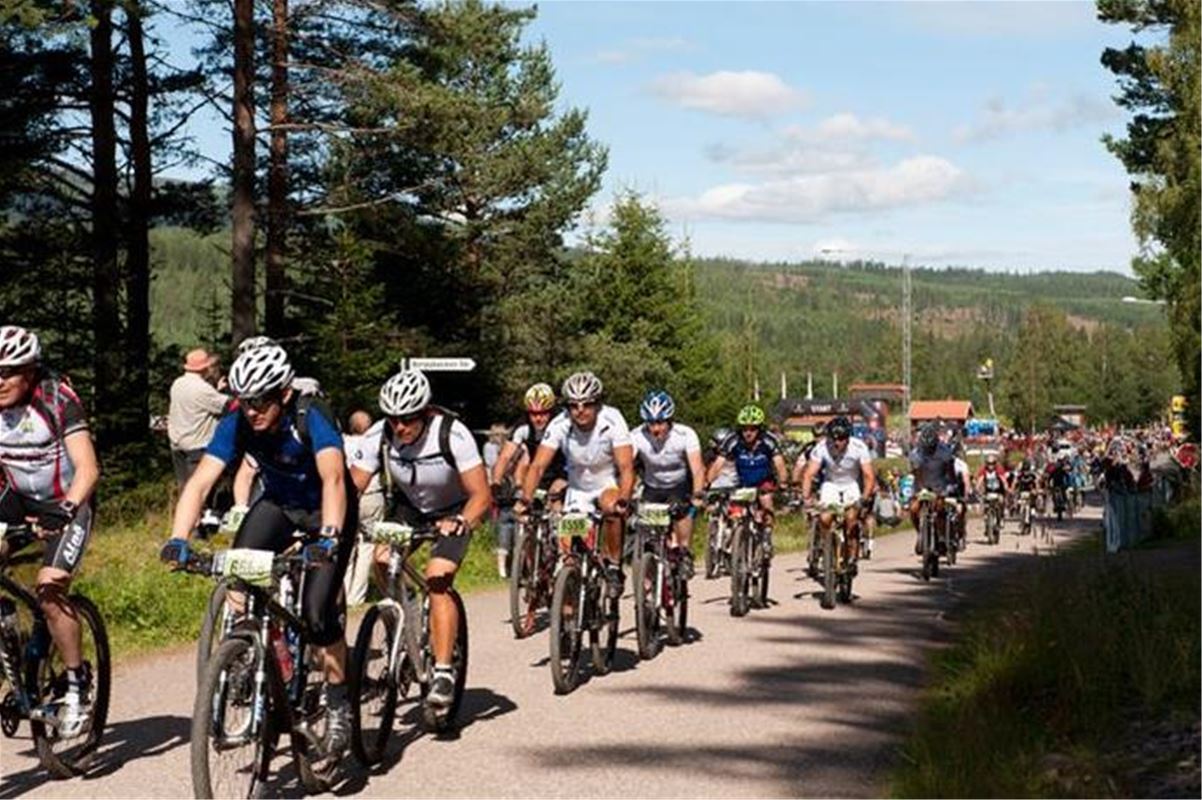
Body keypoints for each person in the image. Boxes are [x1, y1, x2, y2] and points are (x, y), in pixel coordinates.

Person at [160, 343, 357, 753]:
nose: (253, 411)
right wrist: (178, 539)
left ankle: (339, 703)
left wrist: (330, 538)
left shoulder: (310, 413)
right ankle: (261, 652)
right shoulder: (239, 421)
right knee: (238, 570)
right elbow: (200, 482)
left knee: (318, 613)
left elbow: (335, 479)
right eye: (246, 402)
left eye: (262, 401)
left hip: (327, 508)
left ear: (283, 394)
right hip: (281, 505)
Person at [349, 369, 491, 712]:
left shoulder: (453, 434)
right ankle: (408, 615)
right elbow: (353, 485)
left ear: (426, 412)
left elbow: (481, 496)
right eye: (394, 419)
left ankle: (442, 671)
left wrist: (461, 521)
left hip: (454, 509)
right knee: (382, 560)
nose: (400, 427)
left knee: (437, 578)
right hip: (410, 507)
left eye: (408, 419)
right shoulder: (379, 434)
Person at [0, 326, 100, 737]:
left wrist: (65, 511)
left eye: (8, 372)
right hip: (16, 499)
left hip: (68, 500)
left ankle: (77, 683)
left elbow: (89, 468)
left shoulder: (57, 398)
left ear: (31, 371)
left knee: (50, 589)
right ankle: (14, 639)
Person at [516, 371, 635, 600]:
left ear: (597, 404)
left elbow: (626, 467)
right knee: (568, 557)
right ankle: (568, 620)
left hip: (606, 482)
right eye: (574, 405)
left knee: (612, 508)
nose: (580, 411)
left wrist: (625, 498)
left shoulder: (613, 419)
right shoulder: (560, 424)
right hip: (577, 488)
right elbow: (538, 465)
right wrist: (525, 499)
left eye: (587, 404)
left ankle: (613, 565)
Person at [490, 383, 567, 578]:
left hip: (563, 472)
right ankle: (533, 569)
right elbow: (505, 457)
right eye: (533, 413)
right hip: (538, 474)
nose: (538, 418)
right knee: (525, 516)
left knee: (557, 505)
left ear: (552, 411)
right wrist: (496, 484)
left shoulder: (562, 423)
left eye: (543, 413)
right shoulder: (522, 426)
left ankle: (562, 556)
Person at [630, 390, 705, 578]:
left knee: (682, 512)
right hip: (652, 486)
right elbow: (625, 468)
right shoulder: (636, 436)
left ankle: (684, 553)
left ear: (669, 420)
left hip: (678, 485)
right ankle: (647, 581)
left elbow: (697, 469)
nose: (656, 429)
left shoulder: (685, 434)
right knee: (645, 529)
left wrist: (697, 494)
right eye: (651, 423)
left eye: (660, 423)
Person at [705, 404, 789, 558]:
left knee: (766, 502)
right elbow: (718, 464)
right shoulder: (733, 440)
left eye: (752, 429)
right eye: (744, 429)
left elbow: (780, 464)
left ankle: (767, 537)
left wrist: (783, 482)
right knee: (734, 512)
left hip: (764, 480)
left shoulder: (769, 441)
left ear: (759, 429)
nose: (748, 433)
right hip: (743, 482)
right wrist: (707, 483)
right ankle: (738, 542)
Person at [797, 416, 877, 565]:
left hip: (851, 484)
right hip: (831, 484)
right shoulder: (821, 447)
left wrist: (864, 498)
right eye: (833, 439)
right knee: (824, 518)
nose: (837, 442)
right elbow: (809, 474)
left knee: (851, 518)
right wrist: (806, 498)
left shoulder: (859, 447)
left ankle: (852, 553)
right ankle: (829, 548)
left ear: (848, 437)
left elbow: (868, 476)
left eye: (841, 439)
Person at [167, 348, 230, 488]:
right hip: (197, 448)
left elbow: (201, 403)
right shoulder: (202, 389)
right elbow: (227, 405)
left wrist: (215, 391)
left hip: (177, 445)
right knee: (199, 491)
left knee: (184, 490)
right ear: (204, 368)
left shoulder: (178, 383)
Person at [342, 410, 384, 606]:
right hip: (372, 495)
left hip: (348, 496)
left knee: (346, 546)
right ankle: (356, 597)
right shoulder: (373, 442)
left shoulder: (341, 442)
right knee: (367, 547)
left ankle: (341, 592)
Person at [908, 423, 957, 555]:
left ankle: (941, 536)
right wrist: (915, 490)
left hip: (940, 485)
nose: (928, 450)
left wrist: (950, 486)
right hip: (922, 486)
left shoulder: (945, 453)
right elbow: (914, 473)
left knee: (940, 508)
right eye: (926, 447)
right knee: (913, 509)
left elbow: (950, 473)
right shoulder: (916, 453)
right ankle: (920, 533)